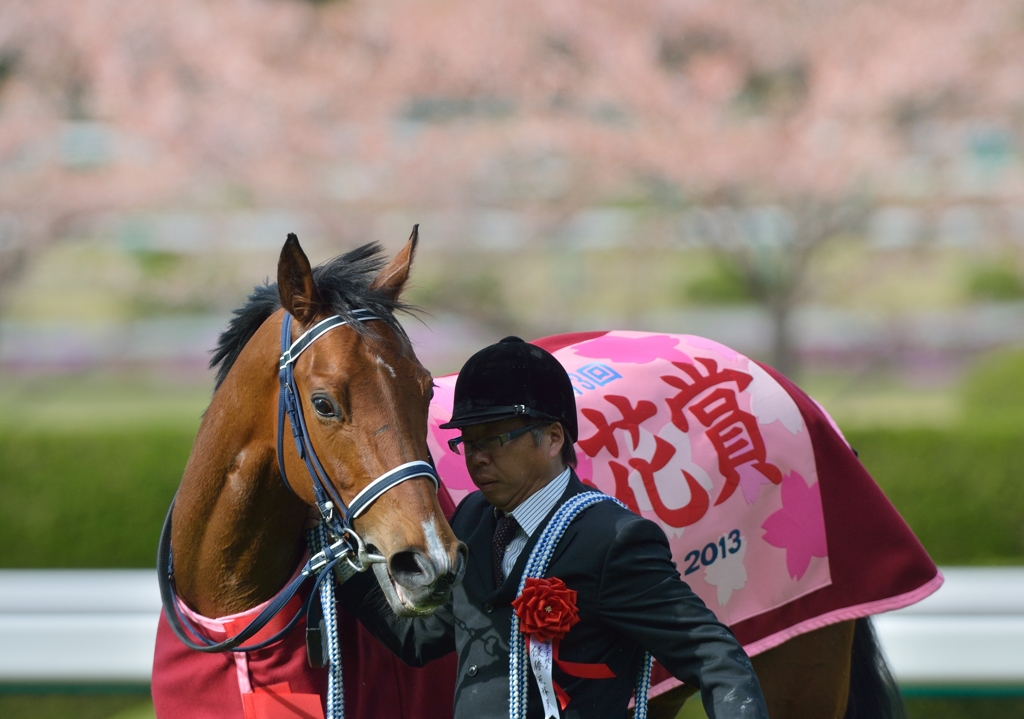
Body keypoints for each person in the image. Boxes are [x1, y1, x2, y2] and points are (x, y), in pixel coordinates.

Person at [339, 336, 769, 719]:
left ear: (553, 438)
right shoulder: (470, 518)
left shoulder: (613, 540)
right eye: (468, 442)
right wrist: (340, 556)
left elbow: (714, 659)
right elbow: (421, 640)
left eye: (493, 438)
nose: (477, 458)